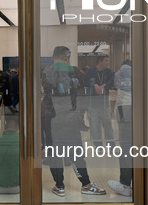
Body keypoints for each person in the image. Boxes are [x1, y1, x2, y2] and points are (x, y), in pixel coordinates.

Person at [43, 46, 106, 197]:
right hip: (70, 119)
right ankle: (86, 184)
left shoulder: (45, 72)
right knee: (76, 153)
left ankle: (59, 186)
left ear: (53, 56)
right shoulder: (74, 71)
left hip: (51, 119)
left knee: (54, 154)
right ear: (66, 56)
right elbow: (81, 94)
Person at [108, 60, 133, 197]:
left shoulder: (119, 73)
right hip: (140, 106)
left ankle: (124, 185)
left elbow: (117, 85)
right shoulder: (140, 73)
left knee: (125, 147)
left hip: (124, 108)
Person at [84, 54, 115, 147]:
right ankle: (98, 146)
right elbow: (85, 82)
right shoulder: (90, 71)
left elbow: (112, 81)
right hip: (92, 104)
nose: (108, 63)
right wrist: (94, 85)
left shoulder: (109, 72)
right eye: (106, 61)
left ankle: (111, 146)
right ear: (100, 62)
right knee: (94, 127)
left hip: (104, 104)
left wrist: (104, 86)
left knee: (108, 126)